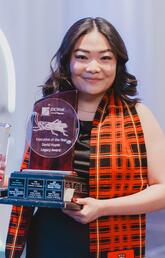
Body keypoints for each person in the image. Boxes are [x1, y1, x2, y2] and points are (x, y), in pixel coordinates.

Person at [5, 17, 165, 258]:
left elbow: (162, 189)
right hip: (49, 242)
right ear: (68, 60)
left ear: (118, 64)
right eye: (82, 57)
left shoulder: (138, 116)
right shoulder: (49, 111)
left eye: (105, 58)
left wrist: (102, 207)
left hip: (113, 241)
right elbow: (39, 184)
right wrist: (7, 185)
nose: (93, 67)